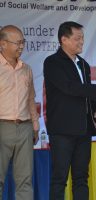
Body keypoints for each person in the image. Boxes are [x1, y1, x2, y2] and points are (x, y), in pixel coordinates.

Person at [43, 21, 96, 200]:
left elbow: (85, 90)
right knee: (59, 178)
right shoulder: (52, 62)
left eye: (82, 38)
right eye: (77, 38)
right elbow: (70, 87)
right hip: (62, 129)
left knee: (81, 178)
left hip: (83, 129)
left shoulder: (83, 64)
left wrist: (94, 109)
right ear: (63, 39)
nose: (81, 42)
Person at [0, 25, 39, 200]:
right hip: (2, 126)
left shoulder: (27, 69)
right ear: (3, 44)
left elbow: (31, 99)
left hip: (24, 128)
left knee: (25, 180)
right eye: (17, 43)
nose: (21, 46)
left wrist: (35, 126)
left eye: (23, 42)